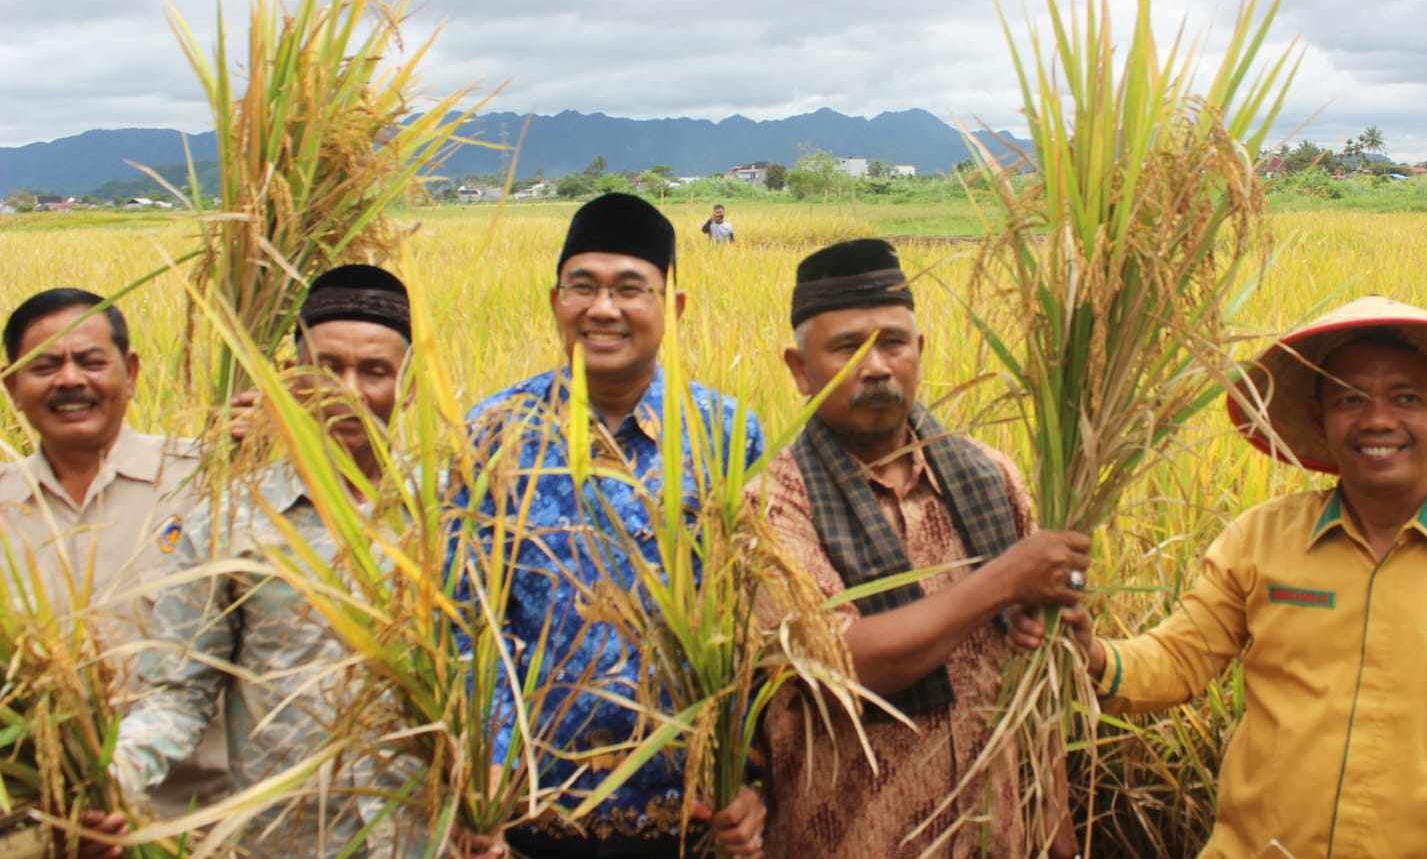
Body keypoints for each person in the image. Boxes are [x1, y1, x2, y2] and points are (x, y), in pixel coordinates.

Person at [1065, 296, 1427, 858]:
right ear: (1321, 419)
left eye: (1406, 398)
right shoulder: (1260, 541)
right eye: (1350, 399)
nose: (1378, 421)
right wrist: (1093, 656)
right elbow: (1178, 660)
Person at [81, 265, 468, 858]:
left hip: (427, 838)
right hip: (284, 841)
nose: (349, 390)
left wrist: (495, 804)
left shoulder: (456, 512)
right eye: (326, 367)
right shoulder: (230, 517)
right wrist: (108, 782)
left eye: (375, 371)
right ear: (291, 374)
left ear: (408, 385)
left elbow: (495, 681)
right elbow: (179, 693)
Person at [751, 238, 1092, 859]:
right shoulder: (772, 504)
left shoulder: (990, 477)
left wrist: (1055, 822)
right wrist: (1004, 581)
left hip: (1000, 839)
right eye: (847, 347)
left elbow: (1039, 673)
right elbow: (838, 668)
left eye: (893, 342)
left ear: (920, 351)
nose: (876, 366)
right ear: (800, 370)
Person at [462, 193, 766, 858]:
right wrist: (486, 763)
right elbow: (468, 620)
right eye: (583, 287)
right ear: (555, 302)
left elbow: (755, 620)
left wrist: (752, 776)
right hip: (530, 819)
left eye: (631, 289)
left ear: (672, 307)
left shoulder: (724, 433)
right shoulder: (494, 432)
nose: (603, 309)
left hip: (689, 816)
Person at [0, 289, 228, 853]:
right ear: (12, 388)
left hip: (206, 827)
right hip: (57, 835)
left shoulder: (209, 479)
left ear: (129, 373)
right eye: (46, 365)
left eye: (91, 361)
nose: (70, 379)